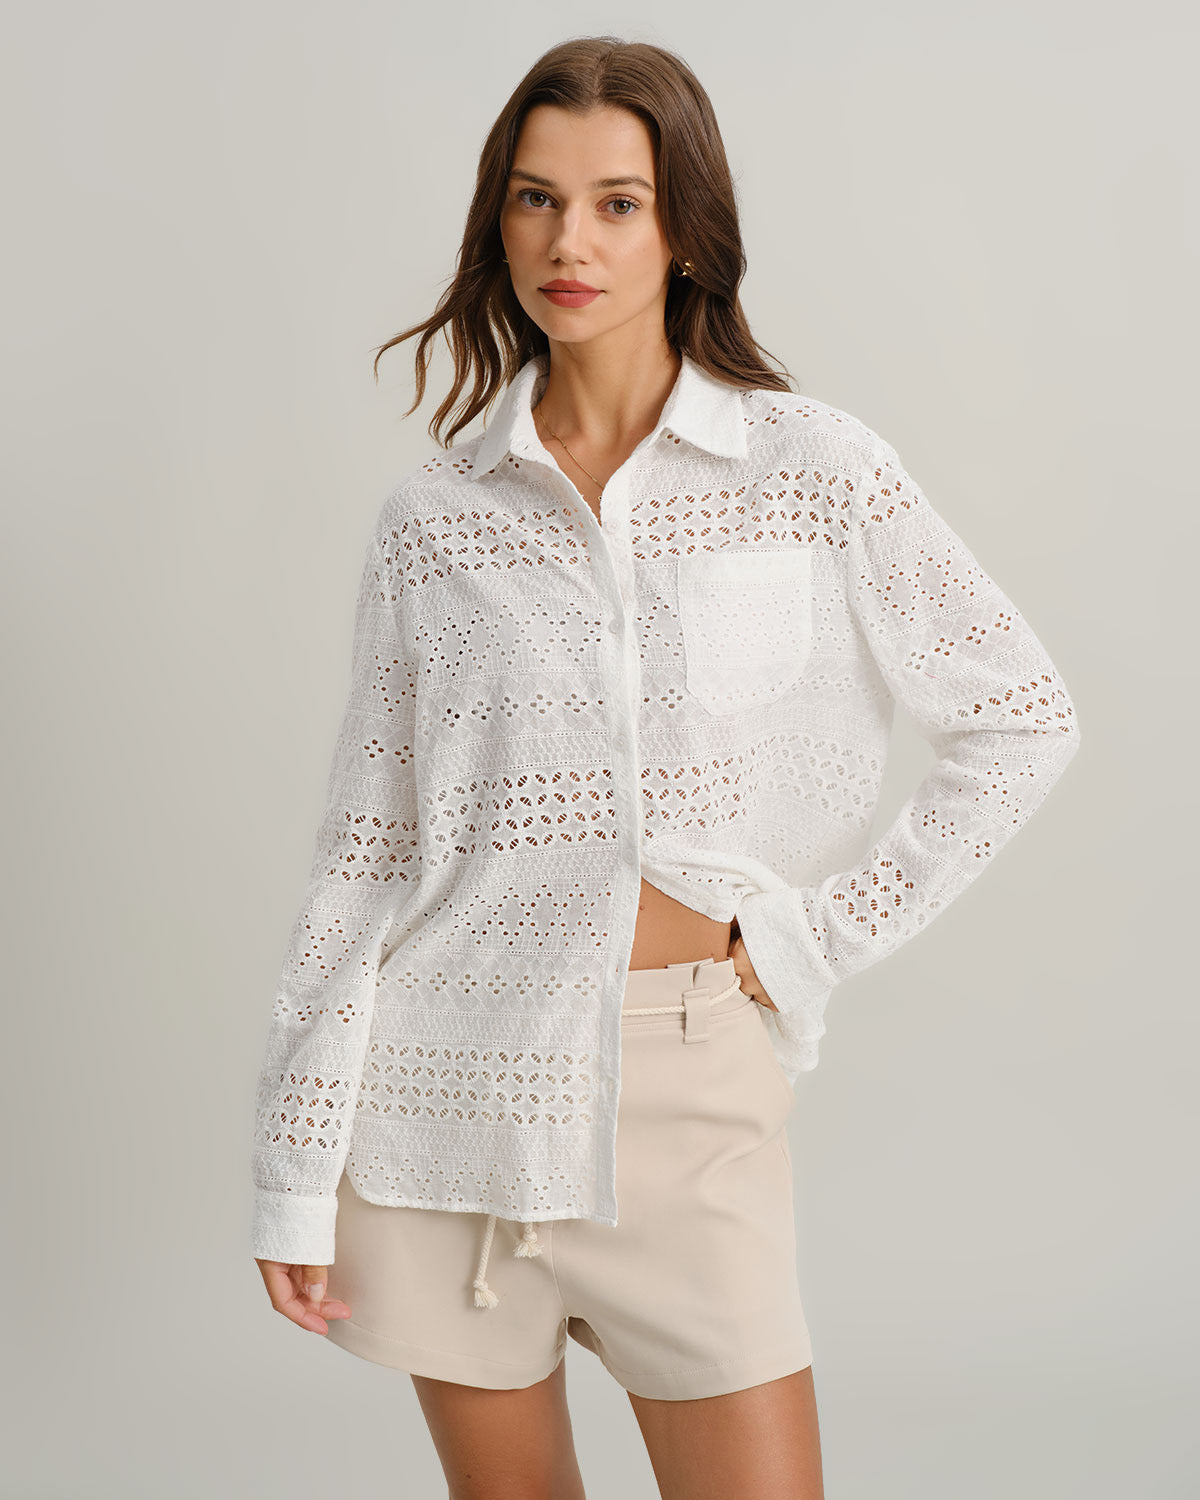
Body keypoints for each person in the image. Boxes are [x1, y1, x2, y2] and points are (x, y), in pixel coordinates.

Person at [249, 35, 1081, 1500]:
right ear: (497, 224)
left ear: (685, 227)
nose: (569, 242)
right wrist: (296, 1164)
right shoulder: (434, 518)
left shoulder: (812, 467)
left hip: (691, 1086)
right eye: (535, 198)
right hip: (443, 1096)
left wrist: (818, 936)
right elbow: (365, 857)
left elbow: (1021, 712)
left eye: (617, 203)